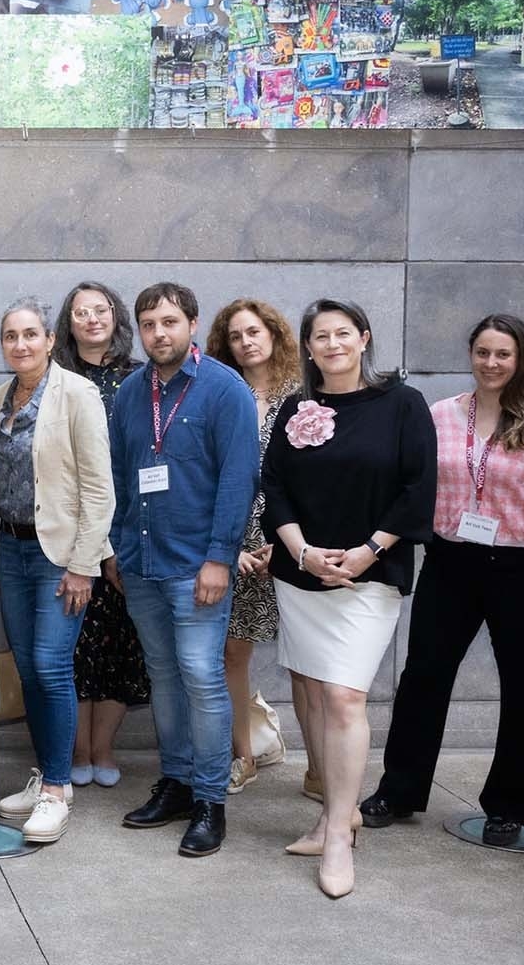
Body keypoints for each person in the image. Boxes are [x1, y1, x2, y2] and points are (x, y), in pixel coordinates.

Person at [361, 315, 524, 846]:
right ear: (470, 354)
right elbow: (413, 482)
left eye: (503, 354)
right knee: (423, 676)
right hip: (452, 559)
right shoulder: (440, 416)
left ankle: (509, 806)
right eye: (483, 352)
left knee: (523, 686)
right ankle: (400, 789)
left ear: (520, 358)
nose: (492, 363)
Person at [262, 298, 434, 899]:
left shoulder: (402, 405)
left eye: (343, 333)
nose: (332, 344)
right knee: (313, 689)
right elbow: (274, 488)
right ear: (307, 348)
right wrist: (303, 551)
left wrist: (368, 551)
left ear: (363, 339)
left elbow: (419, 489)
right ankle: (337, 816)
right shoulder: (295, 407)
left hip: (369, 574)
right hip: (303, 572)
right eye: (320, 336)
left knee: (342, 697)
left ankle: (339, 833)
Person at [110, 282, 258, 860]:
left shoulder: (224, 390)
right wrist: (121, 549)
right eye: (148, 324)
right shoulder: (128, 393)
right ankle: (174, 782)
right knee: (163, 676)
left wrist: (220, 558)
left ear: (192, 324)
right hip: (143, 563)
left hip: (198, 566)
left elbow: (239, 481)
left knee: (201, 675)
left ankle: (209, 800)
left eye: (169, 322)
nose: (158, 334)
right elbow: (123, 477)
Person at [0, 297, 113, 845]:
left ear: (49, 339)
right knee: (30, 671)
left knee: (50, 664)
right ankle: (46, 777)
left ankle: (57, 791)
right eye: (11, 336)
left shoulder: (77, 393)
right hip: (11, 553)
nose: (20, 345)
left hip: (60, 556)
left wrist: (84, 566)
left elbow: (98, 487)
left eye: (30, 334)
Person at [52, 281, 151, 789]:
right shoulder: (53, 379)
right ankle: (73, 748)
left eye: (101, 310)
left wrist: (121, 542)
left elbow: (143, 460)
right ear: (67, 324)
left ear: (115, 317)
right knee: (69, 646)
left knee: (116, 646)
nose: (91, 319)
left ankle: (102, 748)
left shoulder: (140, 380)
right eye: (80, 312)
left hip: (126, 533)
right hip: (65, 535)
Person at [204, 298, 301, 795]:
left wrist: (288, 543)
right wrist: (228, 546)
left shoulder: (302, 397)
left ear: (274, 334)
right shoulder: (222, 393)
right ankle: (243, 755)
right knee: (230, 654)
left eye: (254, 331)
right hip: (233, 539)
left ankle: (322, 768)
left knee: (308, 661)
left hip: (294, 540)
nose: (246, 342)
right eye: (236, 335)